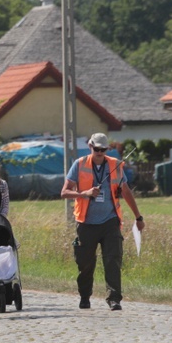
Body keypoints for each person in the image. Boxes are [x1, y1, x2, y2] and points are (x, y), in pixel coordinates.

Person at [61, 133, 145, 311]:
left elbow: (126, 191)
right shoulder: (79, 164)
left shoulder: (116, 165)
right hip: (86, 222)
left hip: (110, 221)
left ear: (107, 149)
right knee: (85, 263)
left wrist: (138, 217)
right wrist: (84, 194)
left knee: (113, 260)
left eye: (103, 149)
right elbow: (64, 192)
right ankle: (85, 296)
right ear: (90, 146)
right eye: (96, 148)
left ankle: (114, 299)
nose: (99, 152)